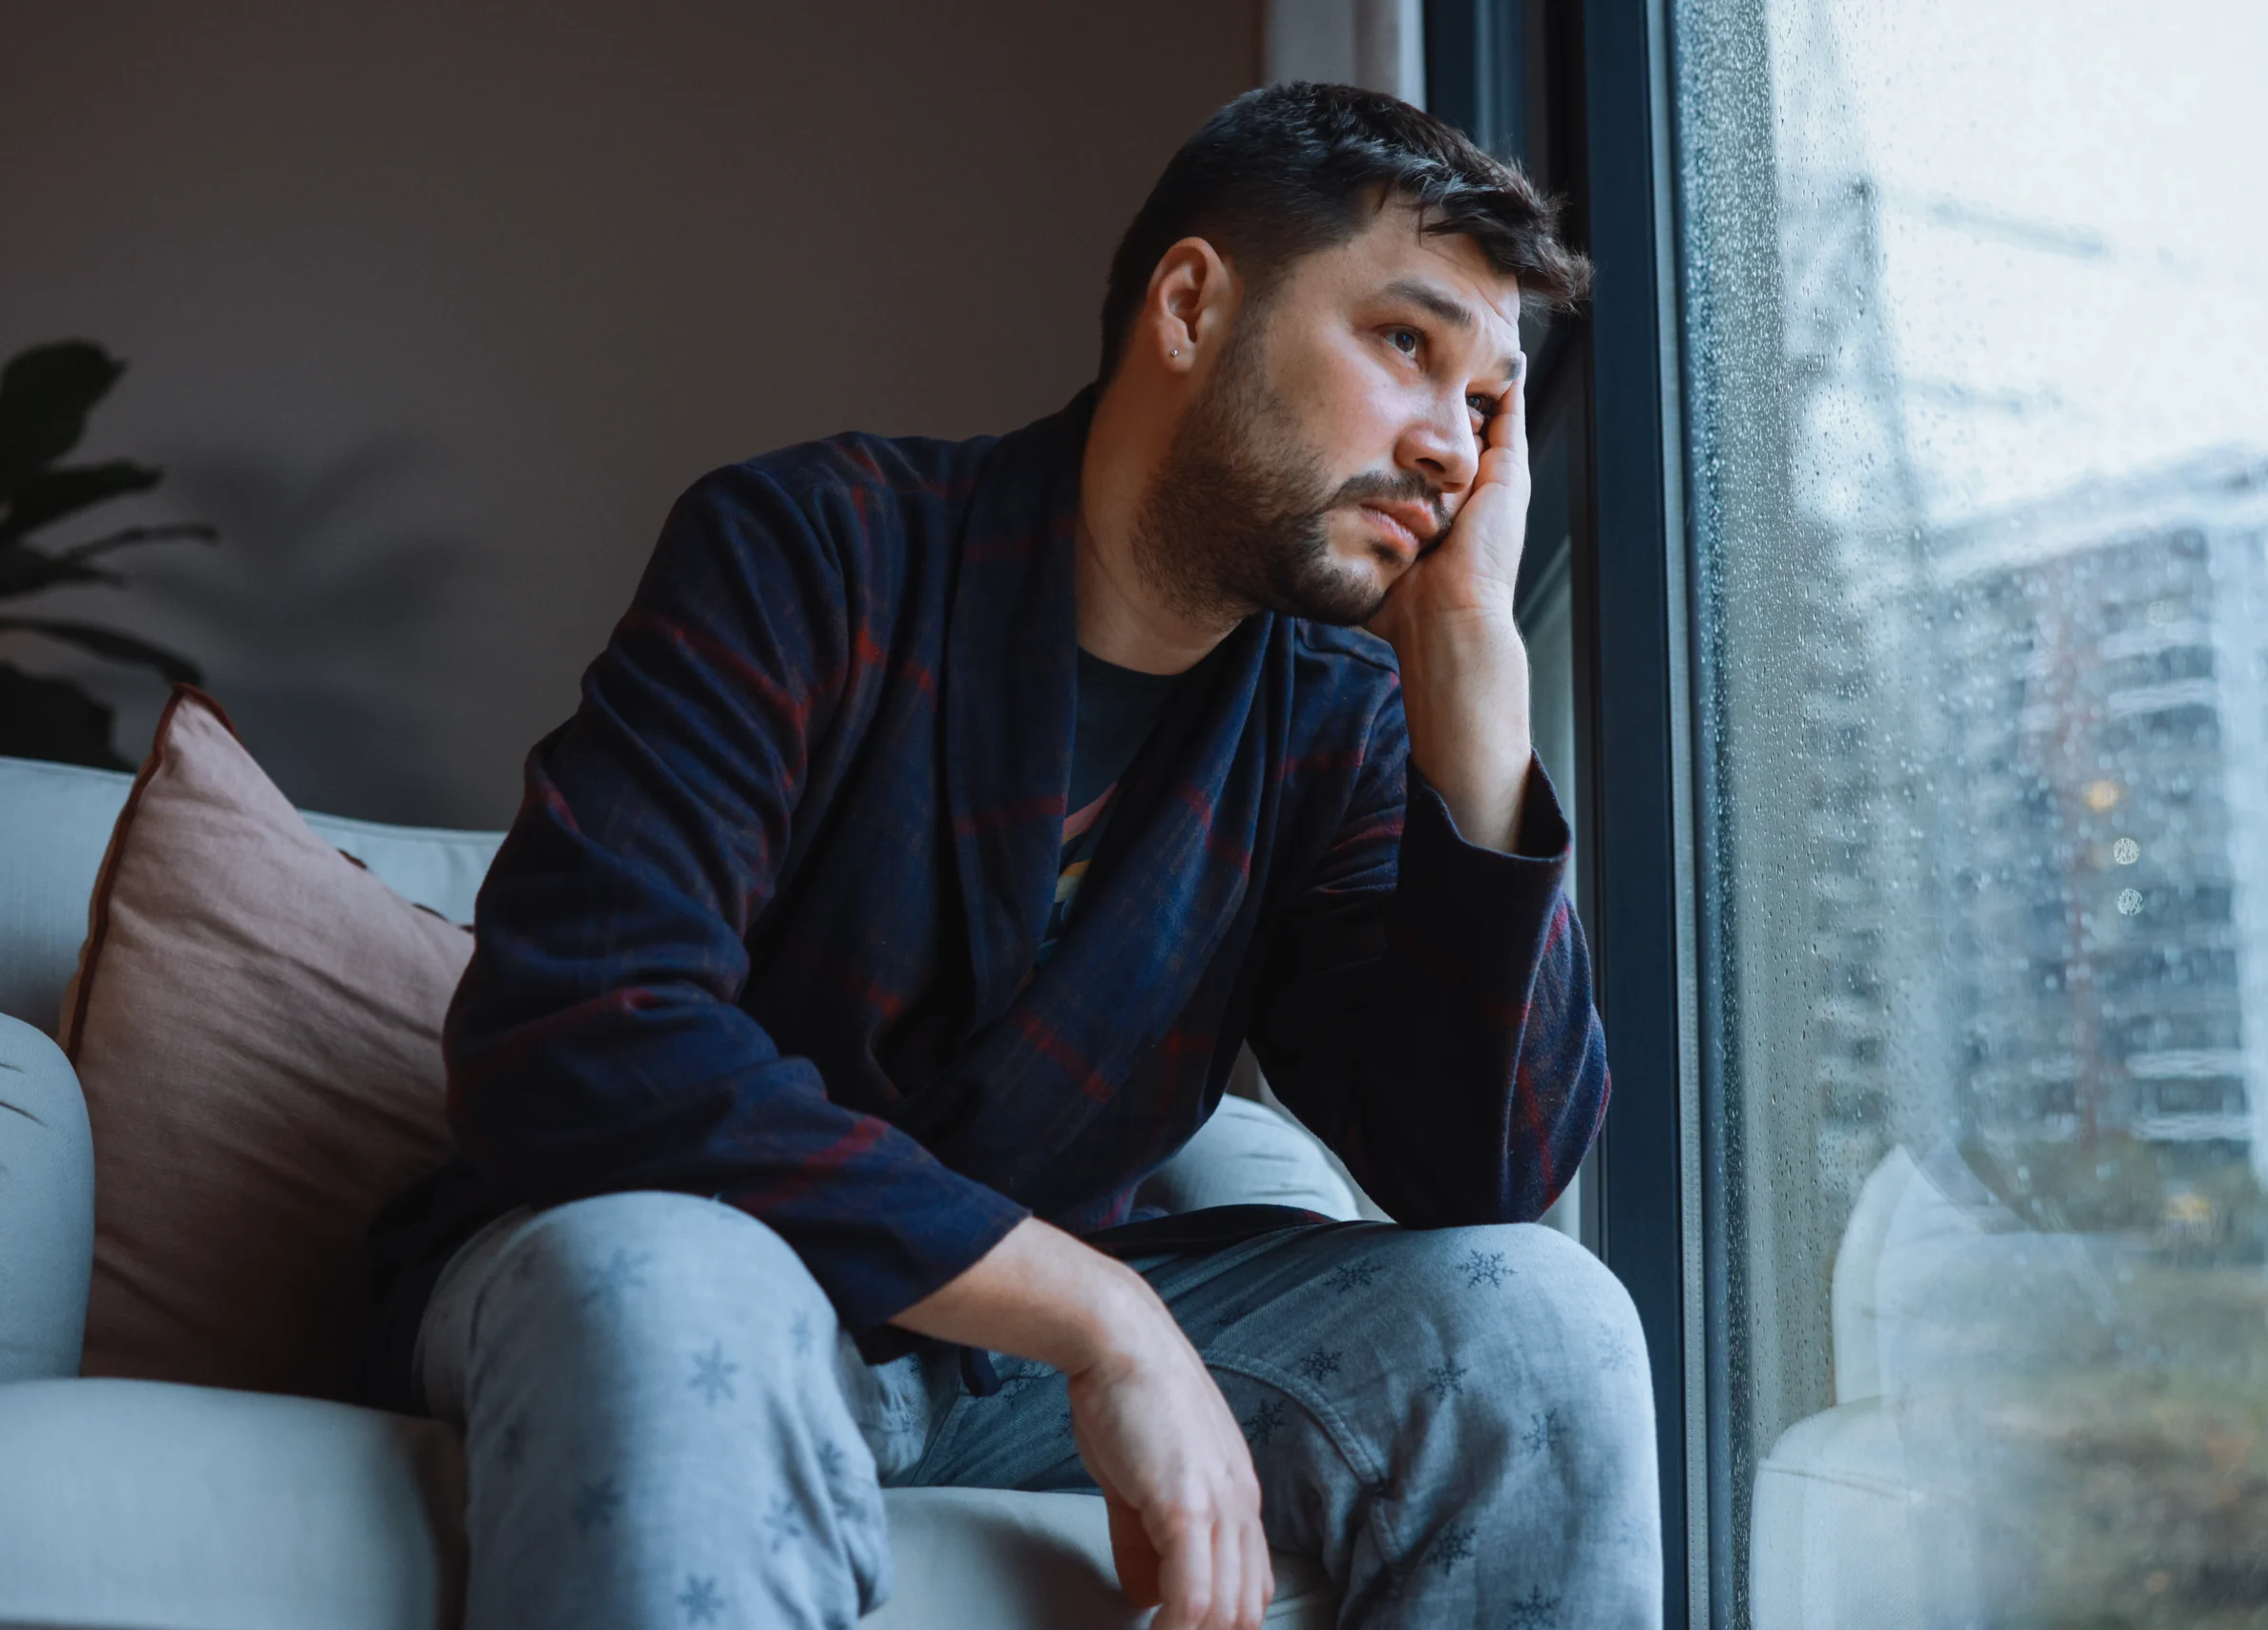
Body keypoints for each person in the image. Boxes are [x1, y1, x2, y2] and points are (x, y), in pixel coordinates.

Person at [367, 81, 1659, 1630]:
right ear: (1191, 307)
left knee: (1545, 1322)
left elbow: (1481, 1173)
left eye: (1491, 407)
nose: (1452, 447)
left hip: (992, 1368)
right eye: (1405, 345)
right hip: (679, 1261)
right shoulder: (812, 547)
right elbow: (579, 1030)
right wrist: (1095, 1311)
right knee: (680, 1284)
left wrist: (1474, 694)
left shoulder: (1334, 723)